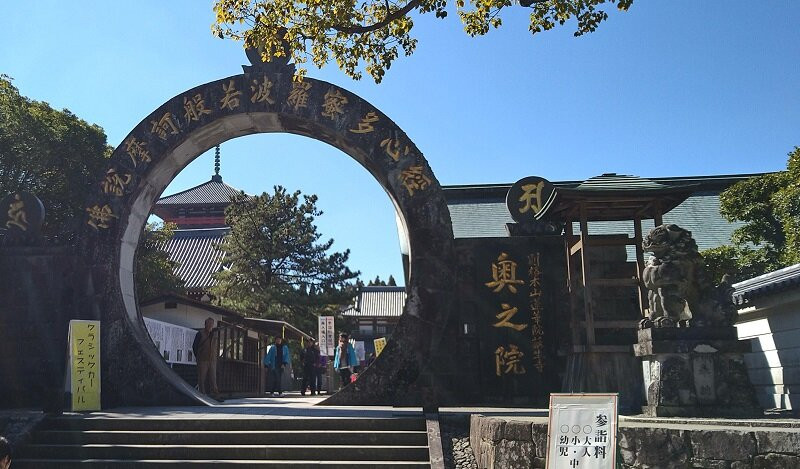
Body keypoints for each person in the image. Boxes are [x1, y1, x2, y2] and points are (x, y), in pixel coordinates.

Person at [192, 317, 220, 399]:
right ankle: (202, 395)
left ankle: (216, 395)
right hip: (202, 360)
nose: (210, 325)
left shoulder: (214, 334)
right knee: (202, 378)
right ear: (205, 324)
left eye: (212, 323)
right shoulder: (200, 334)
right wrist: (198, 357)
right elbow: (194, 346)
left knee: (213, 378)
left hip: (212, 360)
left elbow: (216, 347)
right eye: (209, 323)